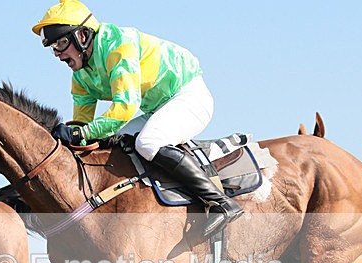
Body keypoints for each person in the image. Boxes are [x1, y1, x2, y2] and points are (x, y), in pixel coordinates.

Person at [32, 0, 243, 237]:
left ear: (82, 36)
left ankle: (222, 203)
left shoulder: (118, 46)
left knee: (147, 143)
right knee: (109, 144)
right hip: (157, 108)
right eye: (53, 47)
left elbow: (124, 108)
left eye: (61, 43)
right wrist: (70, 139)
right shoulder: (80, 76)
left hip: (189, 95)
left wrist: (83, 133)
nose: (58, 54)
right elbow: (82, 126)